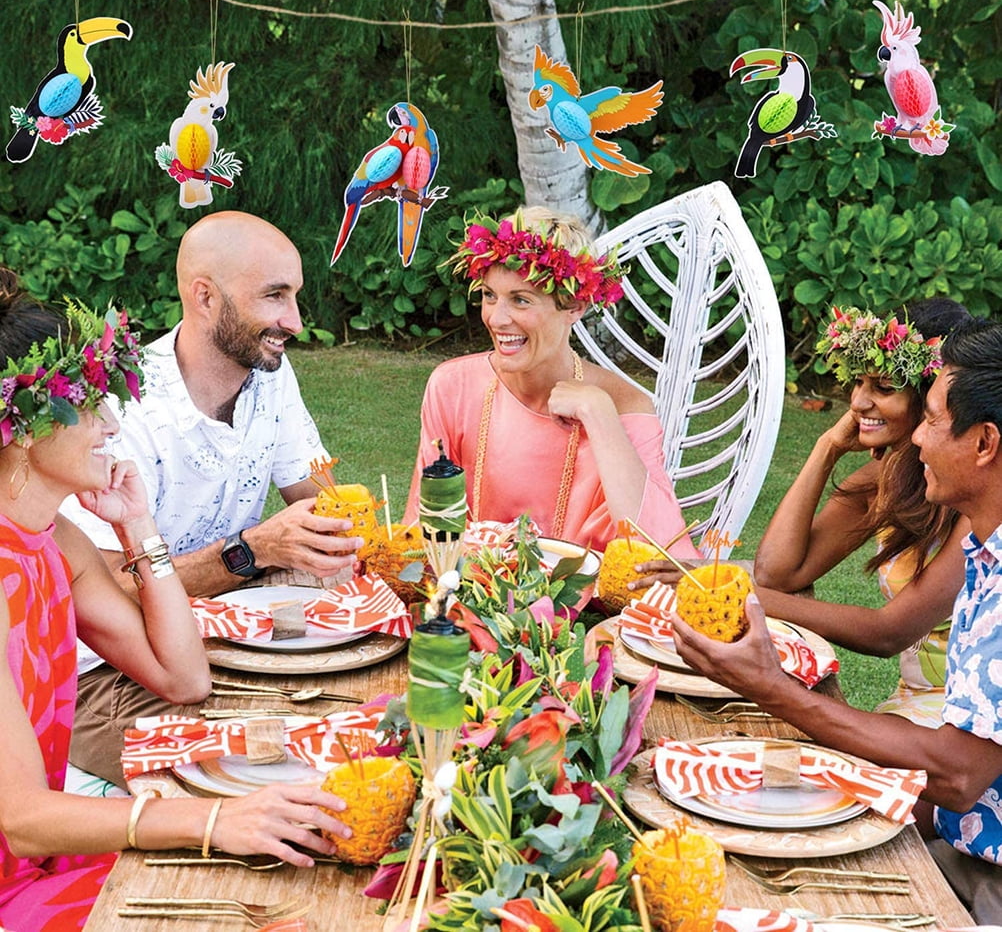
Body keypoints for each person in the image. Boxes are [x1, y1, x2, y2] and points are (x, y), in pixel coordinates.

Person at [0, 273, 351, 932]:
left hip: (43, 867)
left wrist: (140, 527)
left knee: (291, 881)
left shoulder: (59, 539)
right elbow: (22, 821)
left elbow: (182, 677)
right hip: (17, 885)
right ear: (22, 428)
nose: (111, 422)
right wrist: (217, 821)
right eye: (91, 403)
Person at [671, 316, 1002, 923]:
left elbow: (958, 776)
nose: (920, 440)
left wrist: (772, 687)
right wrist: (826, 446)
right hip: (962, 833)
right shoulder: (987, 548)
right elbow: (780, 571)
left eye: (930, 418)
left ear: (984, 443)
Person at [62, 210, 363, 786]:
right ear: (204, 297)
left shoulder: (270, 372)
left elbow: (320, 491)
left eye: (295, 296)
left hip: (217, 641)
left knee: (346, 715)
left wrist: (353, 522)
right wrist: (250, 550)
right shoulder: (121, 411)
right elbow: (111, 591)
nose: (295, 321)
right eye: (275, 296)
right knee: (272, 766)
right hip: (106, 674)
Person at [635, 299, 971, 727]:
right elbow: (780, 571)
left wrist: (734, 594)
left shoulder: (974, 501)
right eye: (859, 383)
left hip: (965, 706)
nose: (859, 402)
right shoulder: (883, 481)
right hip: (915, 699)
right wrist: (826, 447)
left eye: (883, 388)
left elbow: (889, 632)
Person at [404, 207, 699, 556]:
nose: (497, 318)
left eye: (520, 300)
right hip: (464, 593)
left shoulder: (624, 406)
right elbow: (419, 532)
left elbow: (662, 554)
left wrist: (598, 413)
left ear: (574, 306)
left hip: (592, 606)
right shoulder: (453, 387)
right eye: (489, 295)